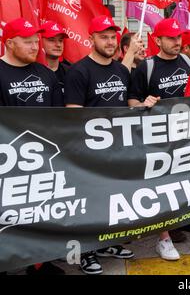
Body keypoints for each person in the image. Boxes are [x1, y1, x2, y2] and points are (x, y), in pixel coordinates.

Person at [128, 18, 190, 259]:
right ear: (157, 39)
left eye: (178, 38)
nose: (176, 42)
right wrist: (143, 104)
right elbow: (131, 100)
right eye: (171, 38)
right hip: (160, 139)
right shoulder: (147, 66)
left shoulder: (186, 60)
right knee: (163, 188)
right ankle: (163, 240)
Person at [64, 15, 134, 274]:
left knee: (110, 199)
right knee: (89, 203)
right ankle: (86, 251)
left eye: (112, 37)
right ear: (91, 38)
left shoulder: (120, 70)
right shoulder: (79, 71)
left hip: (117, 150)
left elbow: (127, 106)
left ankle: (107, 243)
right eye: (103, 36)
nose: (109, 41)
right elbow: (73, 115)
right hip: (89, 151)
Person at [0, 18, 64, 274]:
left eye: (36, 41)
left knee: (40, 211)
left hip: (42, 158)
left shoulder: (46, 74)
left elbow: (60, 117)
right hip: (8, 160)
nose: (34, 46)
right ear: (9, 43)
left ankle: (40, 262)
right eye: (27, 41)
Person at [40, 21, 70, 90]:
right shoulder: (30, 72)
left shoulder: (70, 72)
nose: (58, 45)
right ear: (40, 41)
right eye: (51, 40)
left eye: (60, 40)